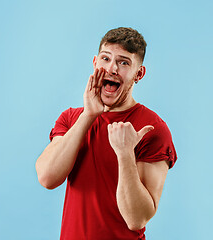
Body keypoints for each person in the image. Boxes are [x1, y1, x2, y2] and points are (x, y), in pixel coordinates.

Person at [35, 27, 177, 240]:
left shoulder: (152, 128)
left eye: (123, 62)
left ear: (139, 74)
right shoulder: (71, 118)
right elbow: (47, 178)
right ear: (95, 63)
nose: (112, 69)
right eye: (106, 58)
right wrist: (88, 116)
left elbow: (137, 219)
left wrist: (125, 153)